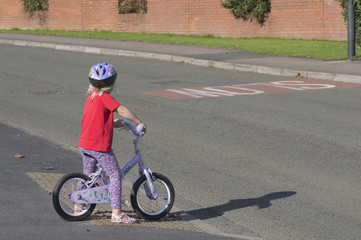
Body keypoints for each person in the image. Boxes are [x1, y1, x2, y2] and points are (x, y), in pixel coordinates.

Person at [77, 62, 146, 224]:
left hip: (85, 143)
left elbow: (97, 119)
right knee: (115, 176)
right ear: (112, 82)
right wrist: (138, 122)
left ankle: (79, 205)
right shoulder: (105, 97)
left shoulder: (92, 98)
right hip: (99, 147)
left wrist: (116, 123)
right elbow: (121, 110)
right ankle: (117, 213)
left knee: (88, 175)